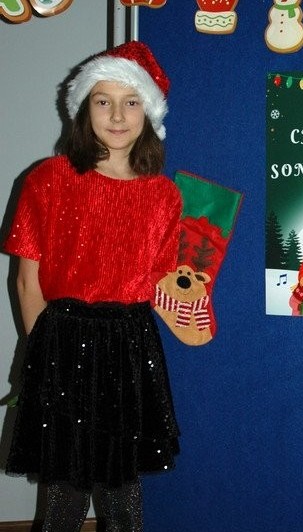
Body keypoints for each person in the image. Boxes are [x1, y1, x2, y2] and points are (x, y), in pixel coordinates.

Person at [3, 41, 182, 531]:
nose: (118, 115)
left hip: (129, 345)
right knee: (64, 492)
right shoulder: (48, 179)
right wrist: (44, 355)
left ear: (148, 112)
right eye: (104, 101)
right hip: (61, 339)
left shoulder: (164, 194)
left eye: (131, 102)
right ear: (84, 108)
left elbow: (160, 277)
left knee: (122, 489)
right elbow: (27, 280)